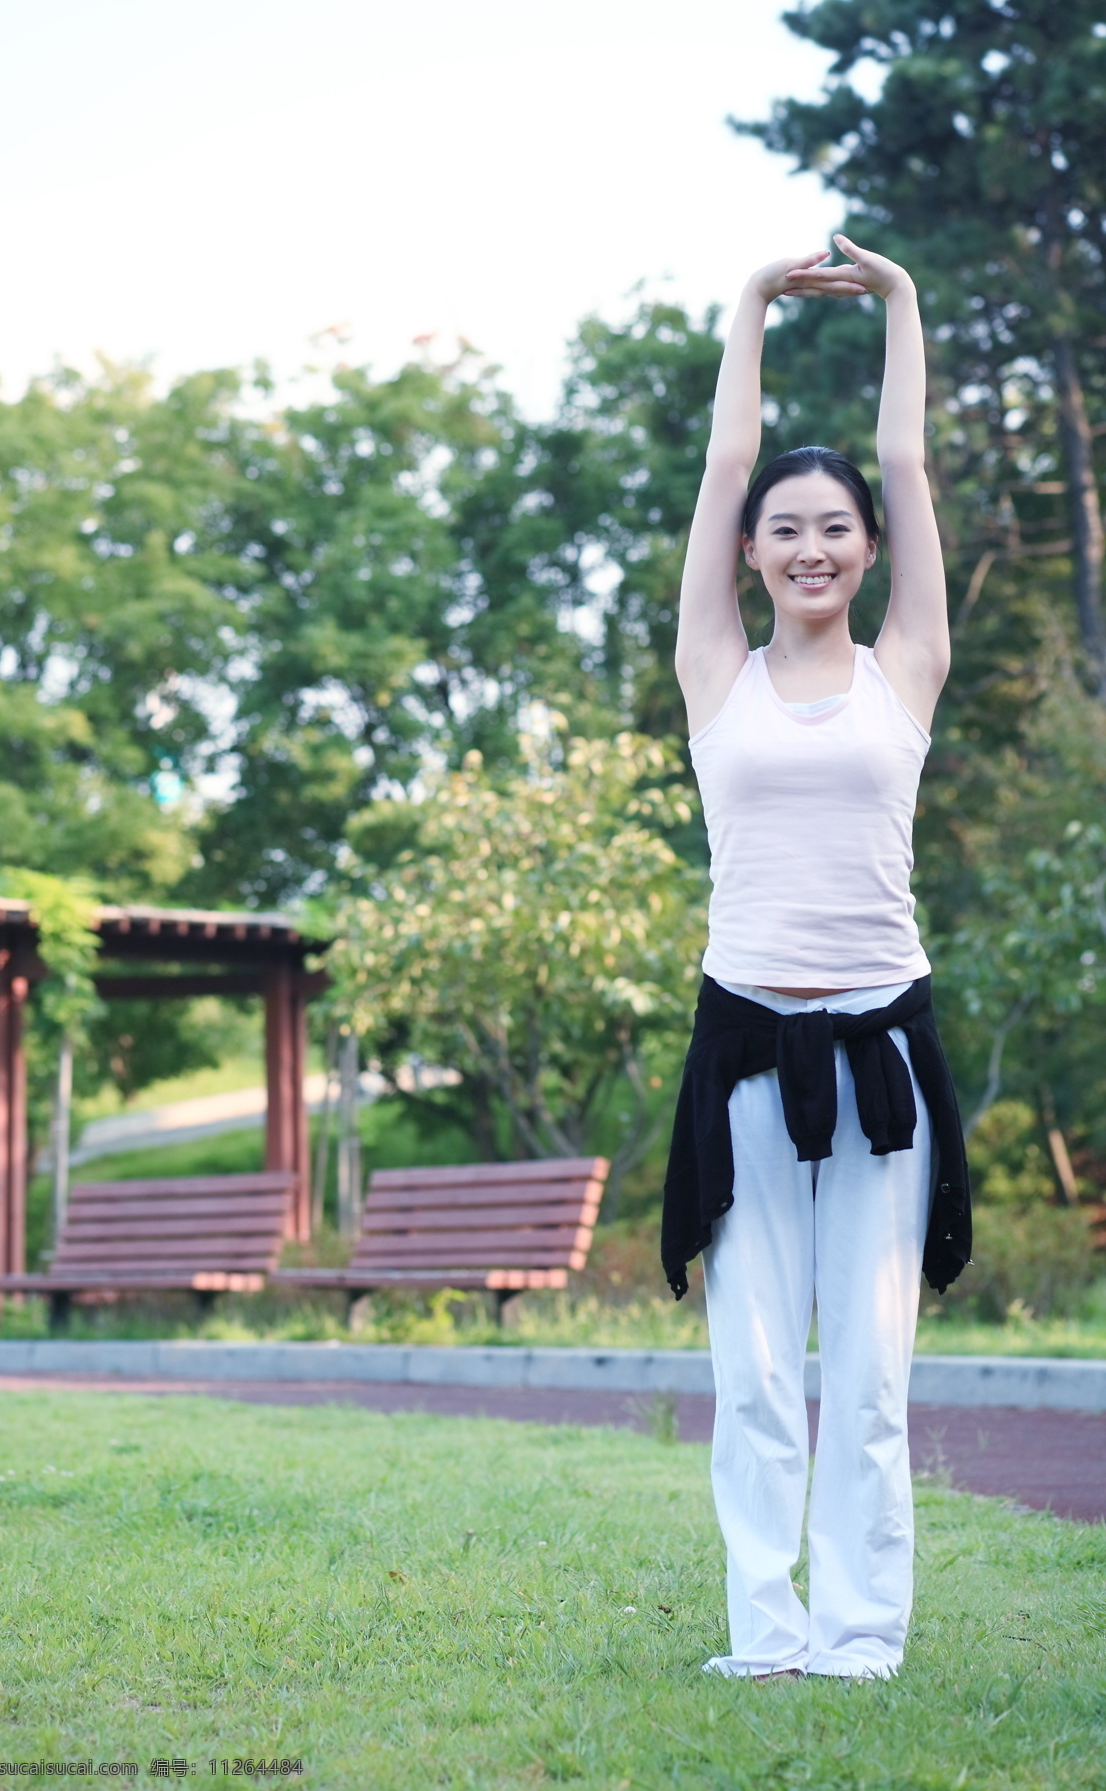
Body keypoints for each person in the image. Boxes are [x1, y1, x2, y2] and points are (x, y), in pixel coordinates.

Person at [661, 235, 971, 1682]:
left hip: (882, 1056)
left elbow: (910, 466)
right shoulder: (713, 674)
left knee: (871, 1378)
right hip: (746, 1054)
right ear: (752, 554)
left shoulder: (904, 666)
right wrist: (749, 310)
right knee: (758, 1374)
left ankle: (861, 1634)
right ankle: (766, 1634)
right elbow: (723, 466)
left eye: (833, 529)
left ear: (865, 550)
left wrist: (901, 301)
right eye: (784, 529)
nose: (808, 546)